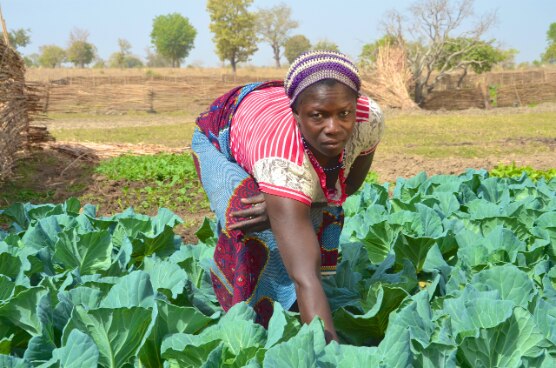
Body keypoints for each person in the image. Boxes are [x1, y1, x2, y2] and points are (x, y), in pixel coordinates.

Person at [191, 50, 384, 342]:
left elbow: (345, 186)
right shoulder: (280, 157)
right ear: (297, 115)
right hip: (222, 136)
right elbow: (305, 277)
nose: (333, 128)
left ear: (354, 107)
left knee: (297, 213)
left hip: (264, 116)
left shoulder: (367, 121)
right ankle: (250, 315)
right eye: (318, 116)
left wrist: (288, 208)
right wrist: (329, 357)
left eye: (343, 113)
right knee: (252, 220)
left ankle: (296, 311)